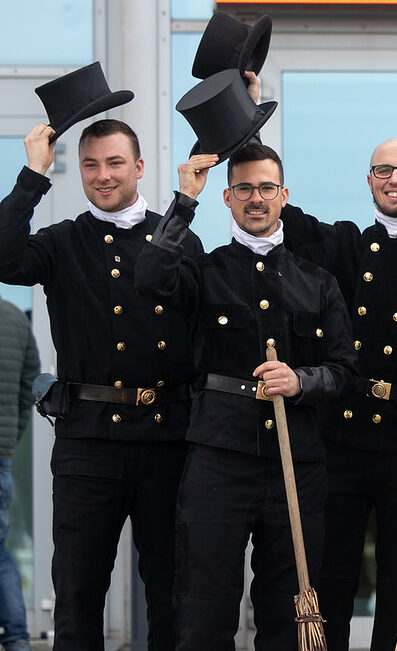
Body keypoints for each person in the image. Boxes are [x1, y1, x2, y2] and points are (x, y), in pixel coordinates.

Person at [136, 143, 359, 649]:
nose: (255, 199)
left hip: (295, 464)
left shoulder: (318, 282)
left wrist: (302, 381)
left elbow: (345, 372)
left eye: (265, 188)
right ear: (227, 198)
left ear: (284, 196)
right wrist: (183, 201)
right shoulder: (202, 271)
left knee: (285, 615)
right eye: (243, 189)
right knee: (203, 609)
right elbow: (149, 278)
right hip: (218, 458)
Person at [0, 119, 202, 651]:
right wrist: (32, 174)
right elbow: (3, 256)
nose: (102, 175)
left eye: (114, 163)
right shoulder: (62, 240)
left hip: (168, 439)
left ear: (139, 167)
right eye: (90, 164)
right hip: (87, 442)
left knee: (173, 595)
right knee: (77, 595)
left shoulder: (177, 236)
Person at [273, 134, 397, 650]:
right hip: (342, 434)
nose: (395, 180)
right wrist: (249, 118)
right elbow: (273, 207)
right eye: (383, 171)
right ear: (368, 180)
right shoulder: (345, 246)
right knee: (332, 571)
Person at [0, 298, 37, 651]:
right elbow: (31, 386)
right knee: (0, 552)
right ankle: (17, 639)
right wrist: (10, 438)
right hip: (1, 456)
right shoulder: (14, 317)